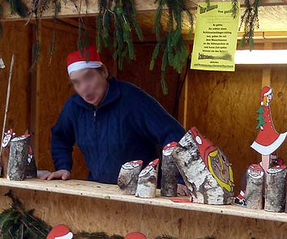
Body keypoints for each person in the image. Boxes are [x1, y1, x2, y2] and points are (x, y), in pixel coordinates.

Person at [45, 46, 186, 184]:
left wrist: (177, 181)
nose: (83, 87)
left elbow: (173, 135)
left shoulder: (132, 99)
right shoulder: (73, 107)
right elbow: (60, 137)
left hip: (141, 192)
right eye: (76, 82)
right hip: (99, 190)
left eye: (88, 77)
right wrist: (63, 166)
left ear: (104, 72)